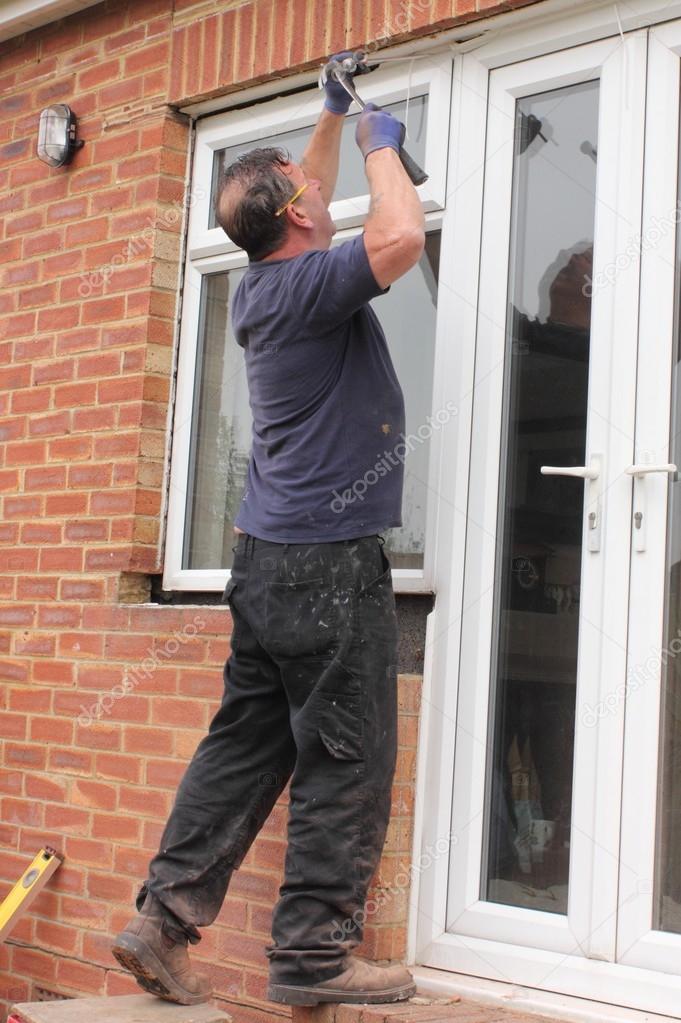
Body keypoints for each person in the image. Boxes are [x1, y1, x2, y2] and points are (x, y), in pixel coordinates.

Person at [111, 53, 425, 1009]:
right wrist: (380, 146)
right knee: (346, 754)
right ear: (294, 217)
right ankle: (314, 955)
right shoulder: (312, 285)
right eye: (304, 187)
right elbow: (399, 234)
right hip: (325, 567)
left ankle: (161, 920)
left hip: (265, 561)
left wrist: (326, 117)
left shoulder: (261, 285)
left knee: (244, 744)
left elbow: (304, 196)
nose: (316, 188)